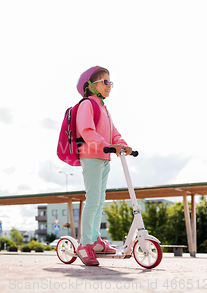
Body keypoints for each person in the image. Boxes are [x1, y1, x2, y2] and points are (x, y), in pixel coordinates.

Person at [75, 66, 132, 266]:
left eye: (111, 83)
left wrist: (122, 144)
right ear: (91, 85)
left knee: (100, 201)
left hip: (104, 158)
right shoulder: (87, 105)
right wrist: (107, 146)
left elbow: (113, 132)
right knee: (92, 199)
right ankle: (85, 244)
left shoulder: (103, 108)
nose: (109, 86)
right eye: (105, 82)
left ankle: (95, 239)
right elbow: (87, 131)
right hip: (92, 156)